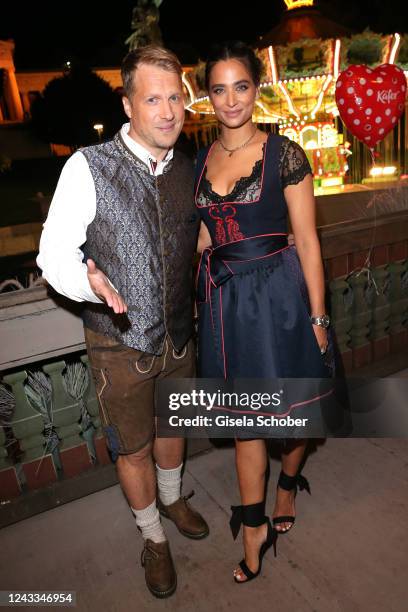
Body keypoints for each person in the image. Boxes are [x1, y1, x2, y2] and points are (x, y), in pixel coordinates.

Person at [37, 45, 208, 599]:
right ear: (128, 105)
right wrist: (88, 282)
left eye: (175, 97)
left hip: (179, 337)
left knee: (172, 430)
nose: (167, 111)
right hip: (119, 345)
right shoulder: (87, 166)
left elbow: (192, 237)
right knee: (132, 447)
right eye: (153, 98)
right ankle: (153, 537)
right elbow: (53, 255)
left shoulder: (187, 167)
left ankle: (174, 497)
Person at [195, 41, 334, 584]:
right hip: (227, 306)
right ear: (207, 96)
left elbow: (308, 241)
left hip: (281, 299)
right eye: (219, 88)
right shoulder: (202, 158)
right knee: (245, 424)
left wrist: (319, 320)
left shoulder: (286, 153)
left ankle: (286, 486)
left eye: (242, 86)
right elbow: (205, 233)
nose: (231, 100)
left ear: (257, 89)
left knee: (295, 411)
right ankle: (254, 529)